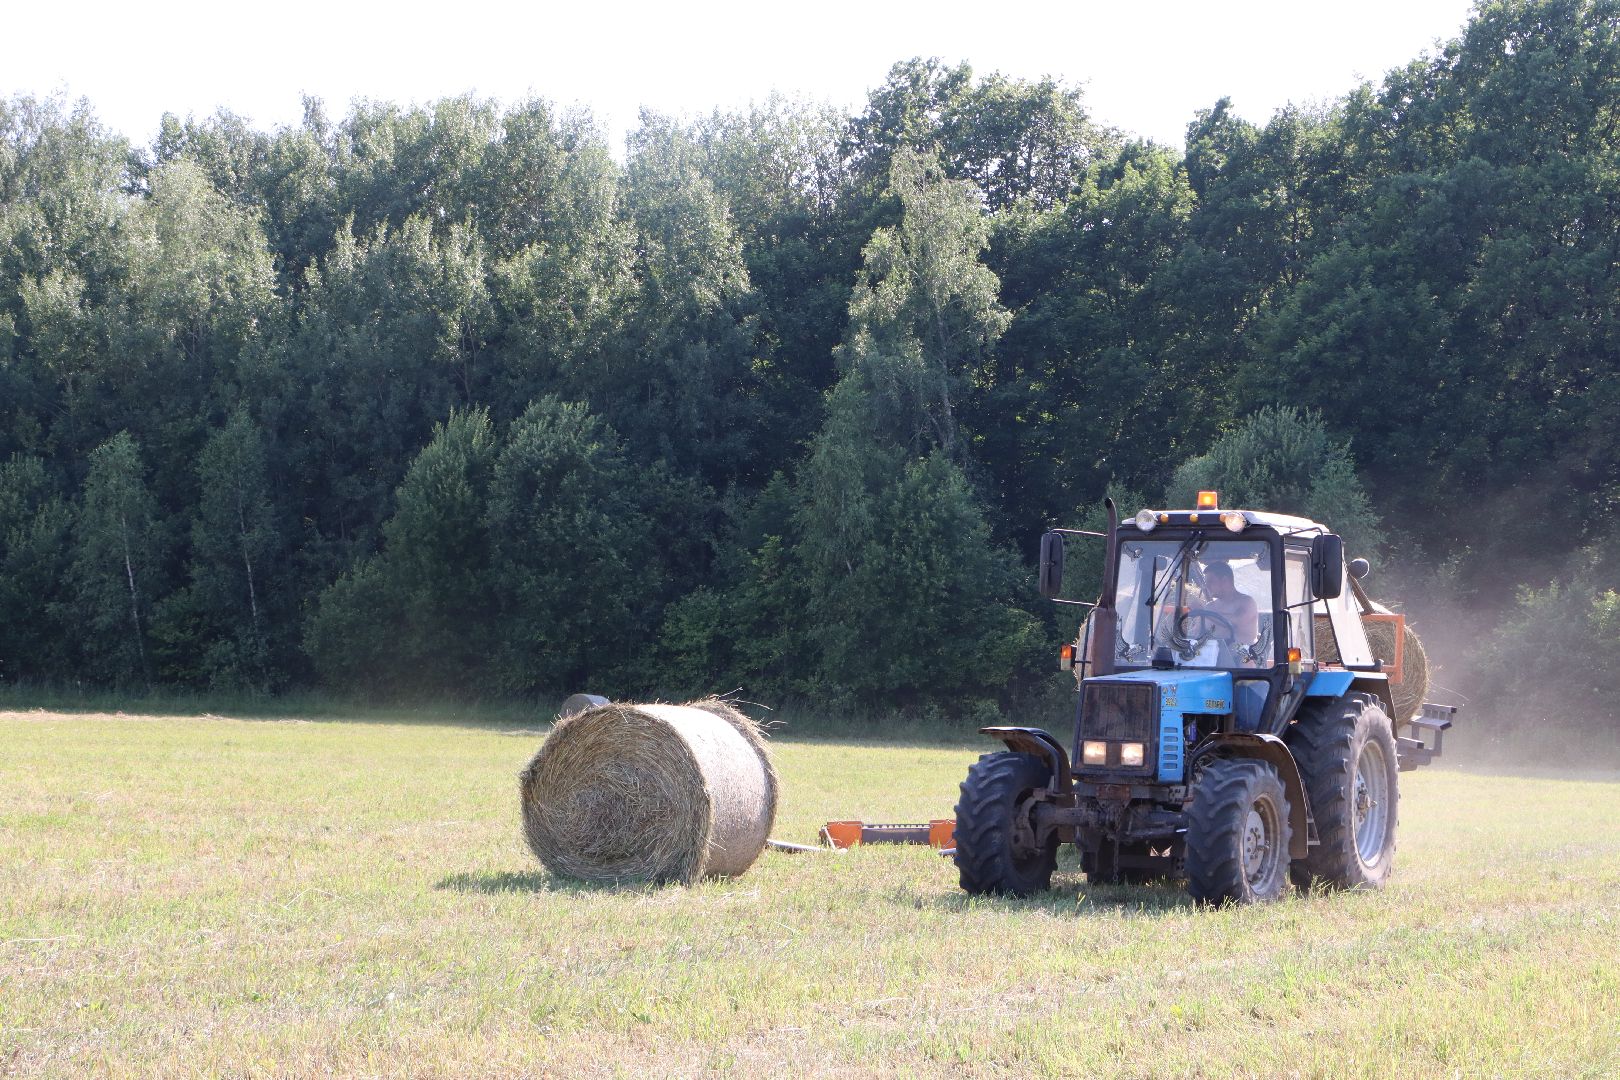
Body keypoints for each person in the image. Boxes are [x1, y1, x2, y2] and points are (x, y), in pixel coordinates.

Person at [1197, 562, 1259, 664]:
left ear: (1225, 580)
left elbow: (1235, 621)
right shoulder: (1209, 607)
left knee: (1246, 660)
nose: (1206, 586)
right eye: (1206, 582)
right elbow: (1196, 633)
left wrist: (1205, 613)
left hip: (1241, 662)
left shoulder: (1247, 603)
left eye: (1211, 581)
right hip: (1212, 659)